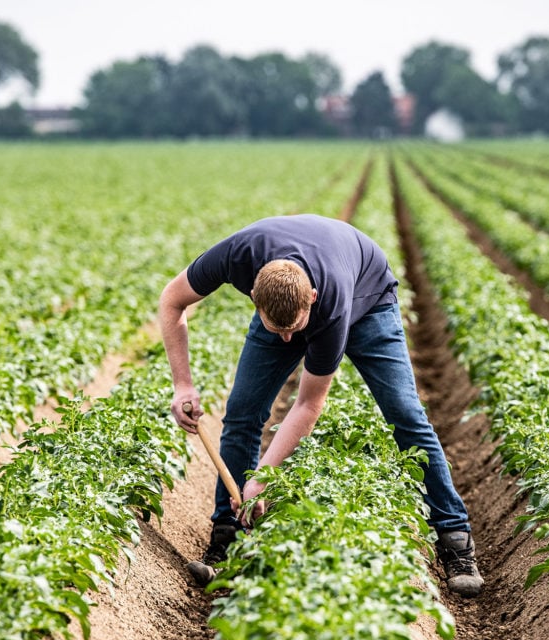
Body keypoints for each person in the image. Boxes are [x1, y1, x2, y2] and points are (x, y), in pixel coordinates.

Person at [157, 214, 483, 597]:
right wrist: (182, 385)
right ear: (253, 296)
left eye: (294, 328)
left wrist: (261, 478)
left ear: (310, 299)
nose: (289, 339)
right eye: (277, 329)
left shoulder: (331, 308)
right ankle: (227, 539)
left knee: (405, 415)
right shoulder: (237, 256)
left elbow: (308, 405)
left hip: (368, 300)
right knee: (242, 413)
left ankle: (454, 537)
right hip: (300, 292)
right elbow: (171, 300)